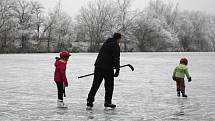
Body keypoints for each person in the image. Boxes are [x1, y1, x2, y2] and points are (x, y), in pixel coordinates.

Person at [86, 33, 122, 109]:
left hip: (98, 66)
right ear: (118, 39)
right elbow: (116, 58)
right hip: (108, 68)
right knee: (109, 85)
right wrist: (117, 70)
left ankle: (89, 100)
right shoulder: (115, 45)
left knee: (95, 84)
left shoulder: (105, 44)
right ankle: (107, 102)